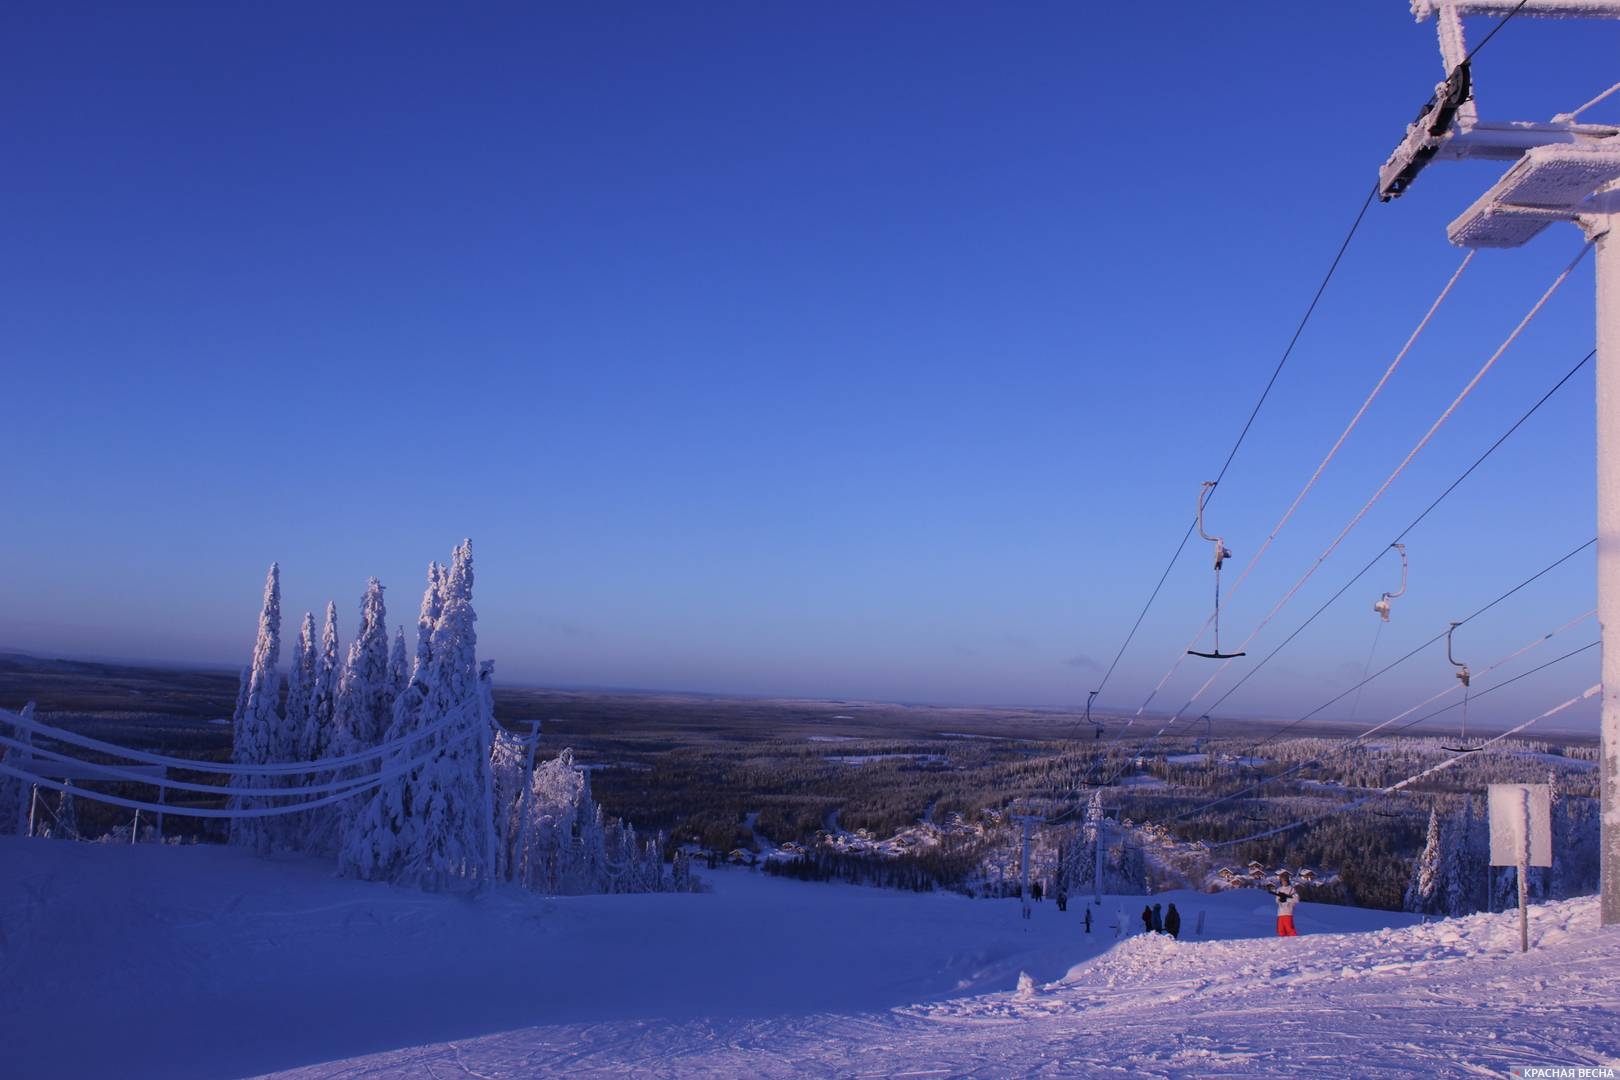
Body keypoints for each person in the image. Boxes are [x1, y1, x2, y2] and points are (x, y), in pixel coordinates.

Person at [1270, 871, 1300, 937]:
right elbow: (1277, 900)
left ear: (1287, 881)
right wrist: (1280, 899)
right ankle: (1283, 943)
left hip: (1288, 912)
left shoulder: (1291, 889)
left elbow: (1296, 899)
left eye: (1285, 880)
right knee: (1280, 930)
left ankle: (1295, 941)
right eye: (1282, 880)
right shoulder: (1279, 889)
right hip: (1280, 913)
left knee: (1290, 929)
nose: (1284, 882)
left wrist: (1287, 899)